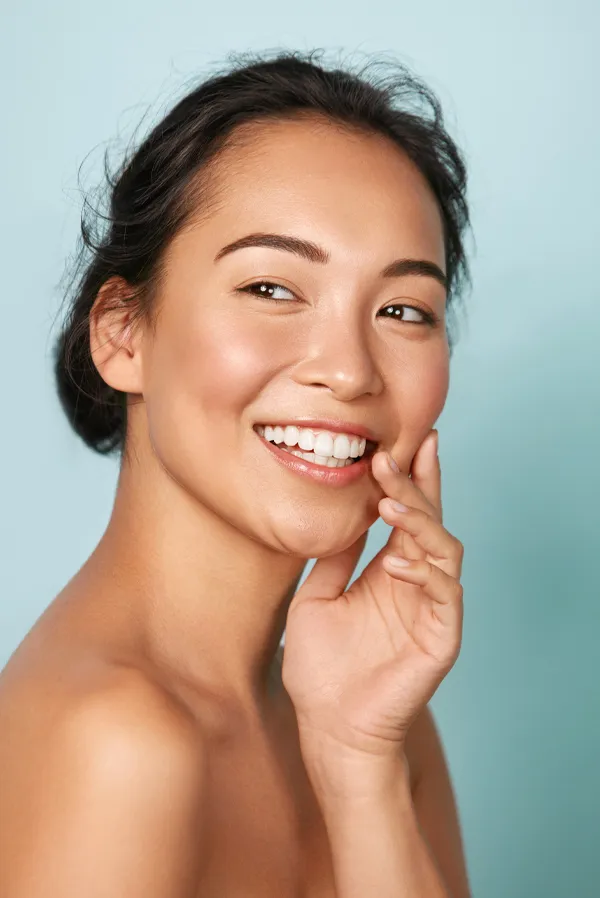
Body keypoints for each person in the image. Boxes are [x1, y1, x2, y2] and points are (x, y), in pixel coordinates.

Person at [0, 51, 472, 897]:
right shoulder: (113, 745)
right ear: (122, 335)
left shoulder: (372, 717)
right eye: (271, 287)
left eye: (403, 310)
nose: (351, 371)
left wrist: (358, 766)